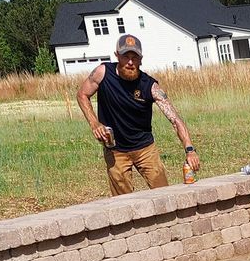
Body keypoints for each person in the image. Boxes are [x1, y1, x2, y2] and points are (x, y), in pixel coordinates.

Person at [75, 33, 199, 195]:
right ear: (117, 56)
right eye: (126, 56)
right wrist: (94, 123)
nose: (131, 62)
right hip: (116, 150)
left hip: (146, 149)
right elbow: (82, 95)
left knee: (164, 195)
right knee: (123, 202)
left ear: (141, 59)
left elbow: (175, 119)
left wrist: (190, 150)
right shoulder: (103, 73)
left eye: (135, 57)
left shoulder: (150, 86)